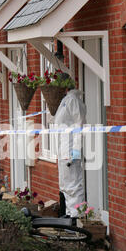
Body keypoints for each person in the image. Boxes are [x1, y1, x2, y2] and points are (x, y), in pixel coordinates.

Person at [54, 81, 87, 218]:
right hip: (64, 147)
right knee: (66, 184)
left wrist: (76, 149)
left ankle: (76, 217)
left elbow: (79, 124)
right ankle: (70, 214)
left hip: (70, 148)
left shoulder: (73, 100)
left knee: (73, 184)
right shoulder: (66, 100)